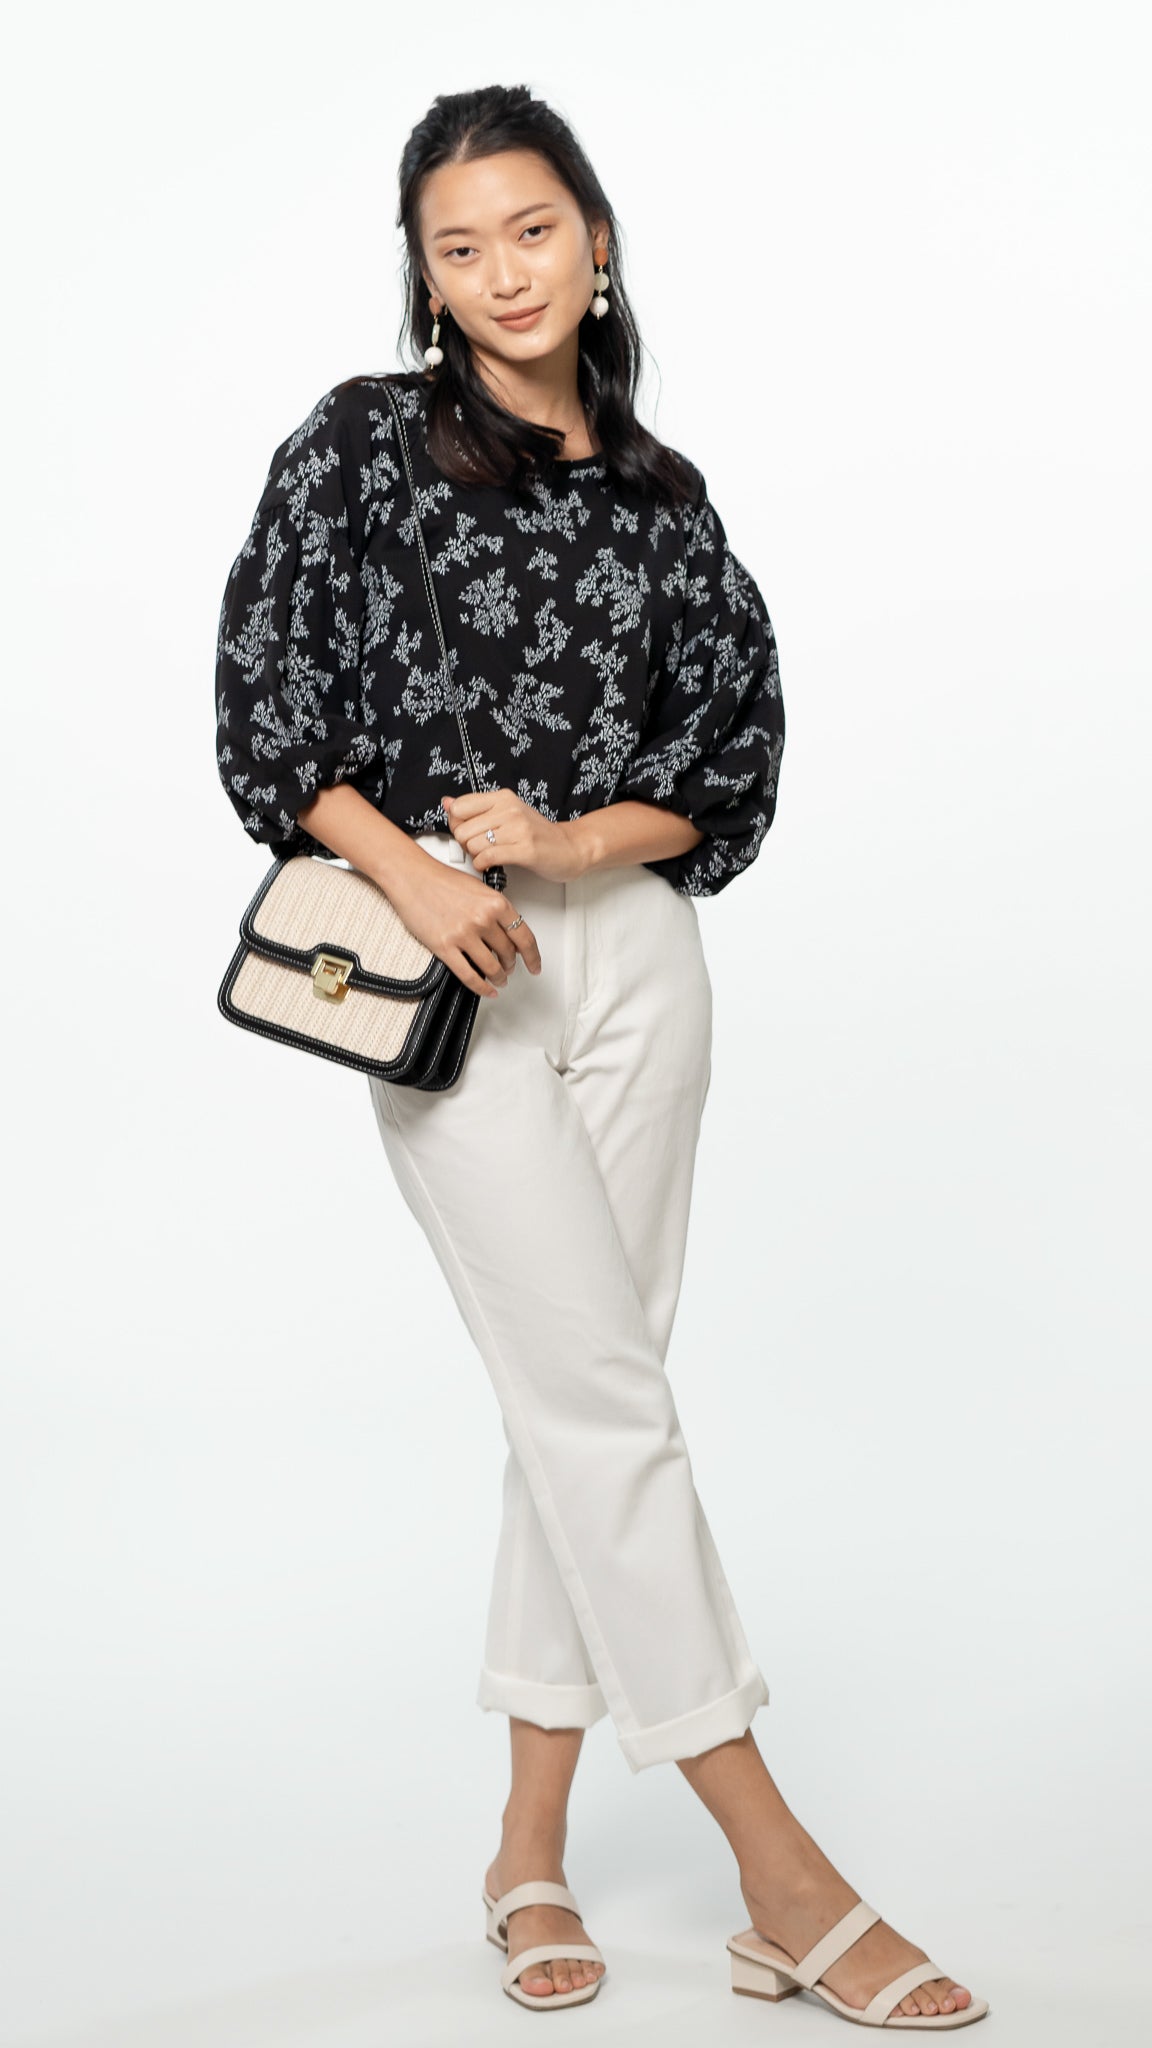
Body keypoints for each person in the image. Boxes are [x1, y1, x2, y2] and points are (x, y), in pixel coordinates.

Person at [214, 82, 987, 2029]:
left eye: (532, 228)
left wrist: (565, 847)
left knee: (591, 1402)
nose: (502, 272)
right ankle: (781, 1868)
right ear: (424, 275)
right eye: (458, 246)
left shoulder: (664, 495)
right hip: (440, 973)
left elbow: (729, 771)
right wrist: (417, 872)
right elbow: (265, 714)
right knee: (602, 1411)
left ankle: (527, 1846)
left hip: (637, 961)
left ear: (599, 239)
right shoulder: (359, 447)